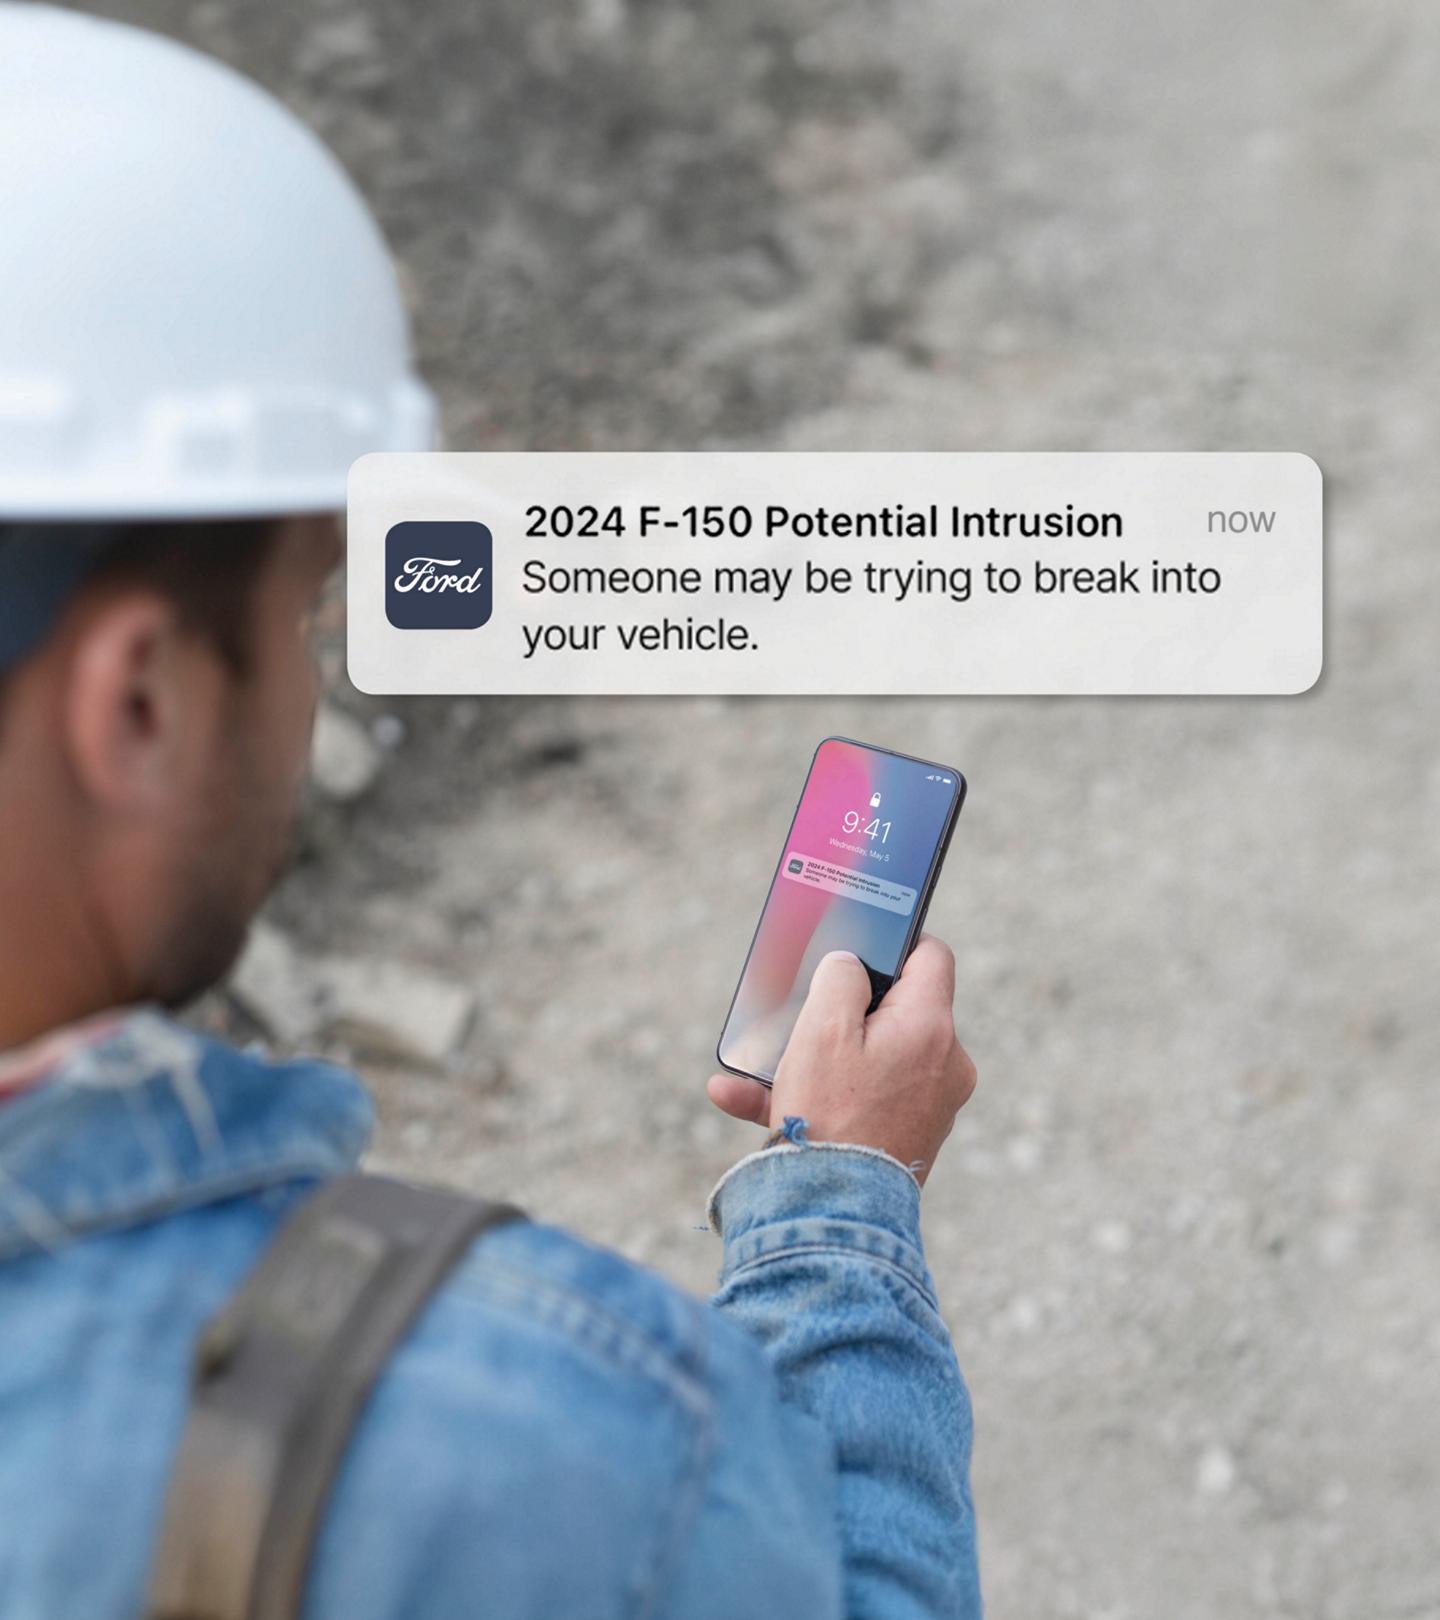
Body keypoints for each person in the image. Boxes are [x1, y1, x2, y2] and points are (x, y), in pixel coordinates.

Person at [0, 8, 982, 1618]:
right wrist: (841, 1198)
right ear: (142, 702)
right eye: (305, 614)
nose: (313, 679)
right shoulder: (514, 1435)